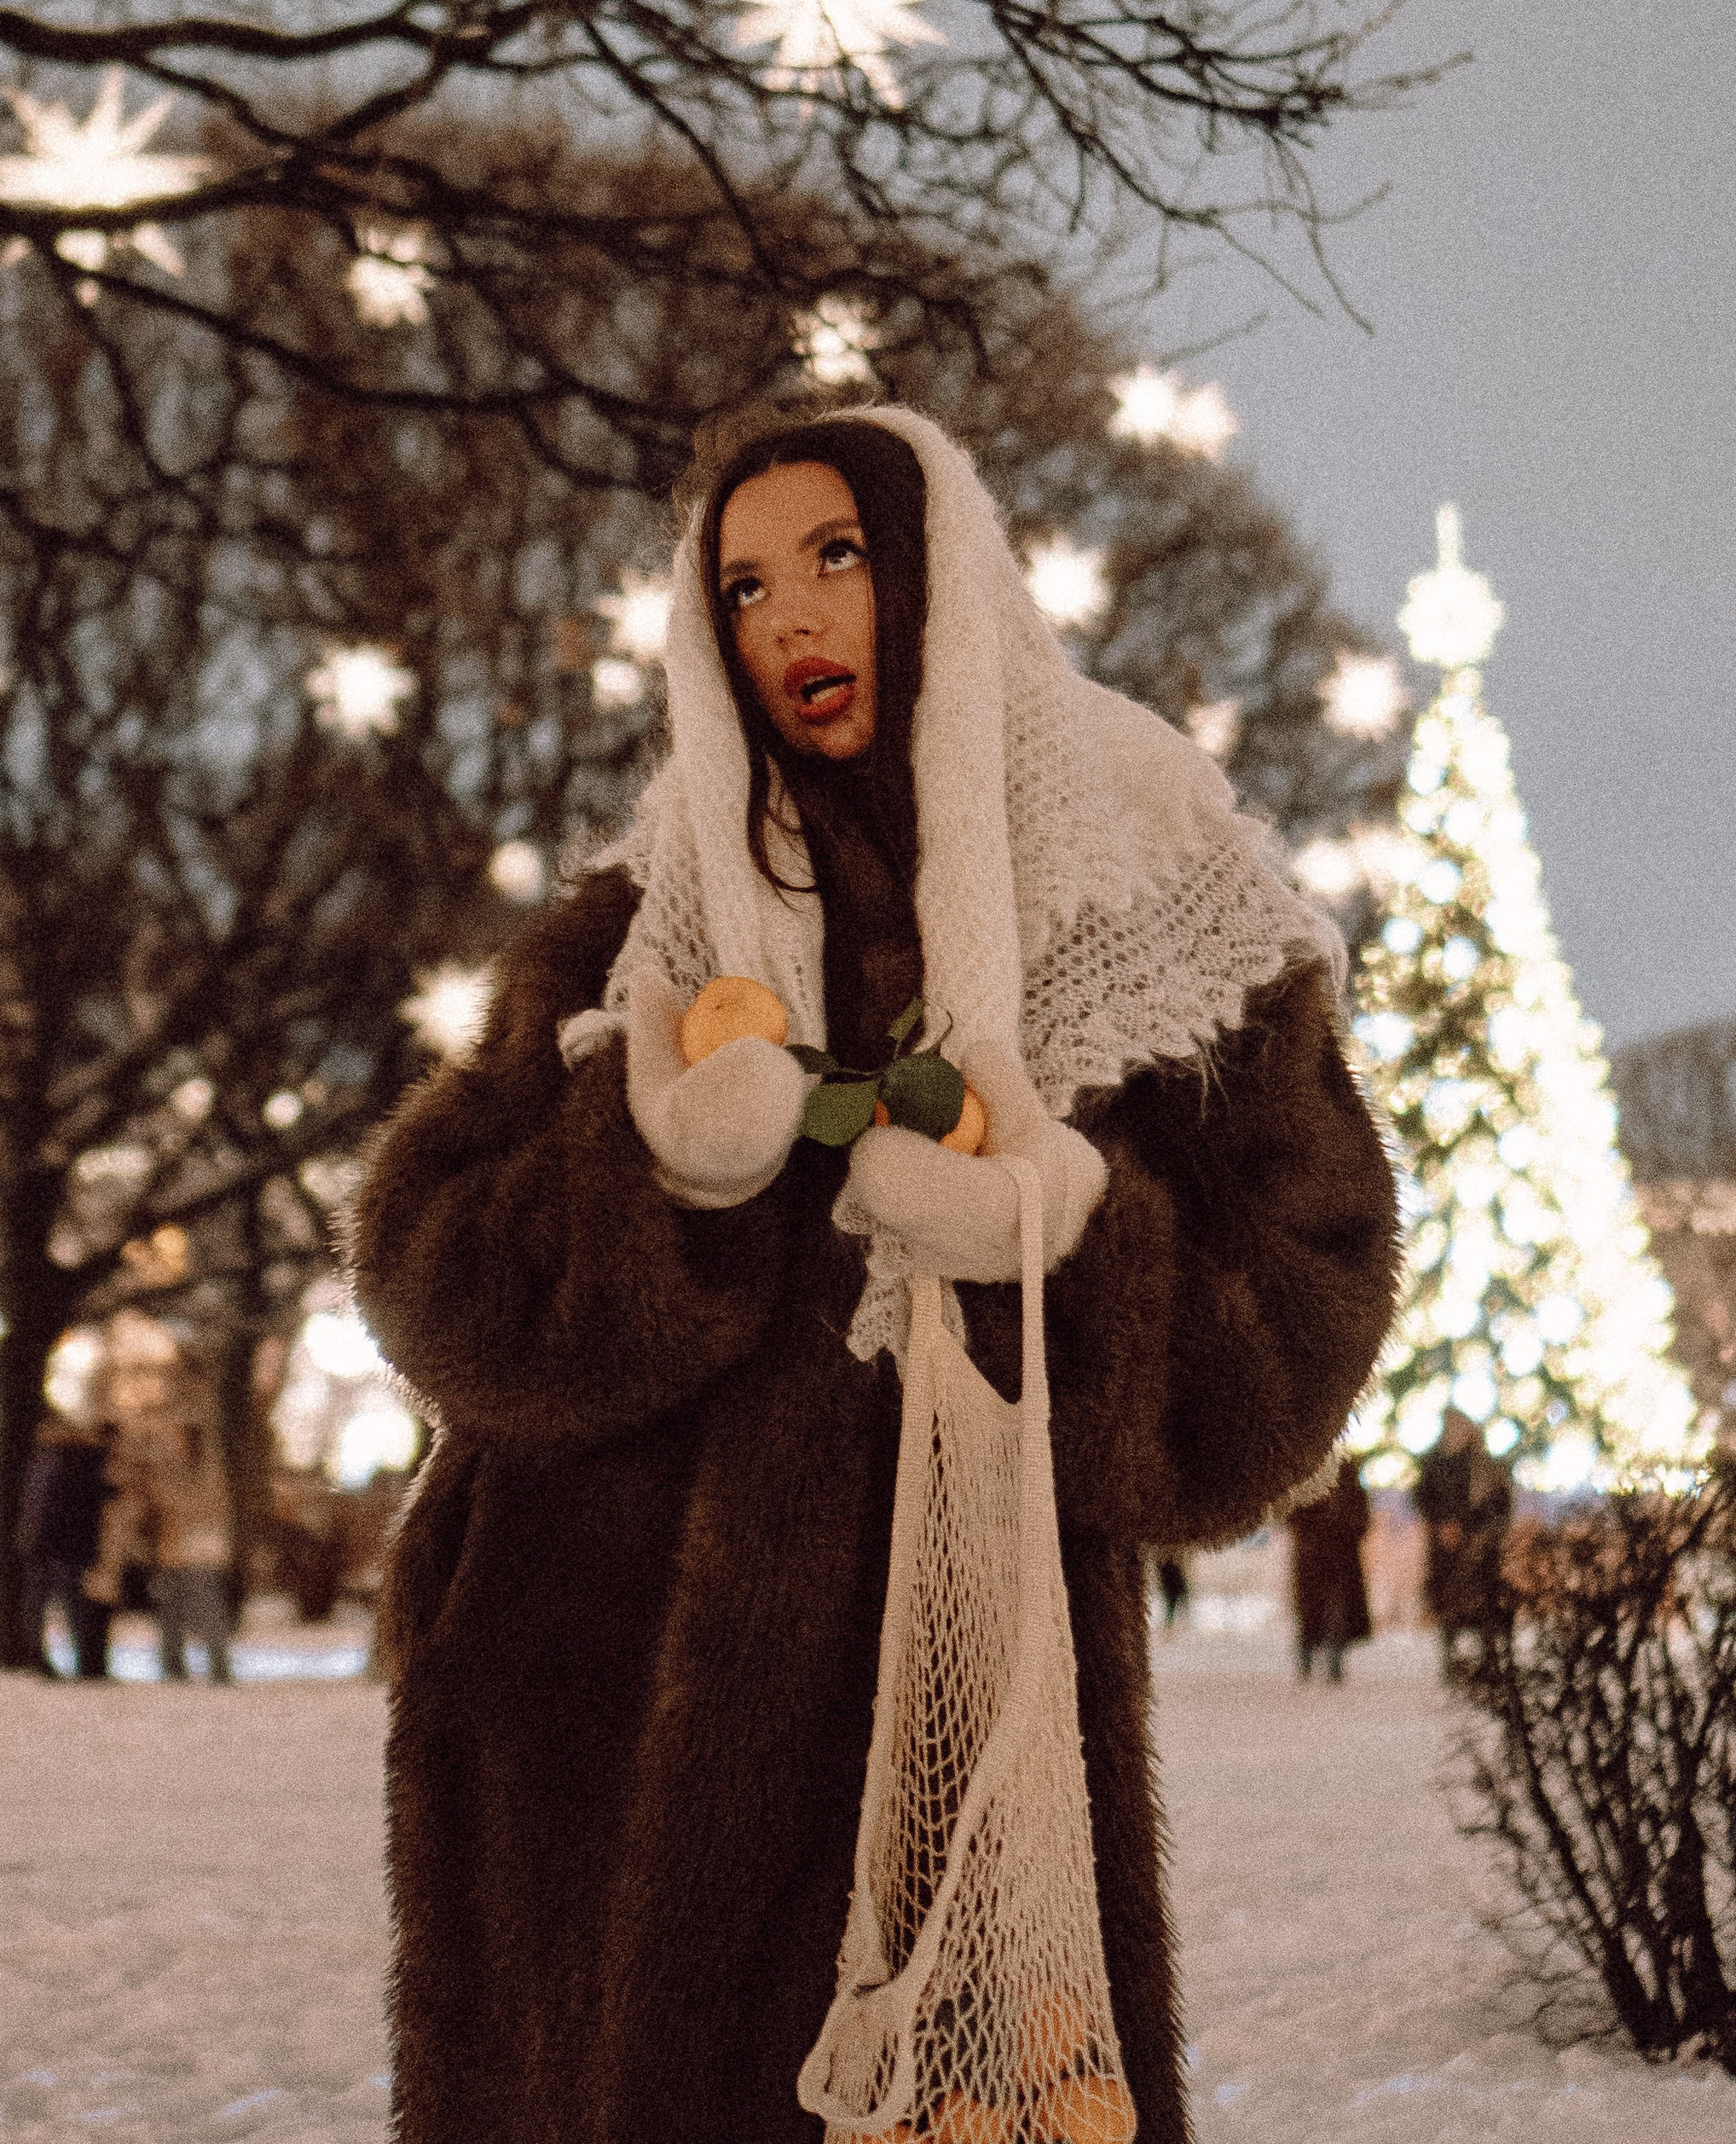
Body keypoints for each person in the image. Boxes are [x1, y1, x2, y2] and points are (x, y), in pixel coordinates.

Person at [355, 403, 1400, 2144]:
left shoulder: (1153, 871)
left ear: (934, 568)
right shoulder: (651, 904)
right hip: (584, 1723)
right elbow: (431, 1277)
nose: (789, 620)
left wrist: (1061, 1241)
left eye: (834, 556)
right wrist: (661, 1170)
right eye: (743, 584)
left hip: (954, 1740)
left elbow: (1292, 1323)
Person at [14, 1419, 117, 1679]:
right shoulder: (85, 1466)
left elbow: (41, 1511)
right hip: (66, 1549)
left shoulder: (48, 1466)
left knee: (44, 1606)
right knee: (71, 1606)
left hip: (48, 1547)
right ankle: (81, 1662)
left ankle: (46, 1659)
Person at [1416, 1408, 1513, 1673]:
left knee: (1482, 1602)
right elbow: (1423, 1499)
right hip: (1444, 1548)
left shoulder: (1485, 1466)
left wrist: (1470, 1529)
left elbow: (1498, 1504)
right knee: (1449, 1602)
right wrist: (1442, 1525)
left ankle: (1489, 1660)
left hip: (1478, 1547)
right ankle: (1452, 1658)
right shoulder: (1432, 1463)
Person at [146, 1417, 235, 1682]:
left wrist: (169, 1500)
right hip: (173, 1550)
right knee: (170, 1610)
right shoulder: (173, 1468)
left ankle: (218, 1667)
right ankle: (173, 1666)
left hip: (201, 1552)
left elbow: (205, 1506)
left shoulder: (209, 1471)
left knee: (207, 1609)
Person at [1288, 1454, 1373, 1683]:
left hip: (1340, 1554)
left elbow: (1361, 1513)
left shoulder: (1346, 1473)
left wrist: (1349, 1531)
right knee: (1311, 1607)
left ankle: (1334, 1658)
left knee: (1338, 1607)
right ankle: (1307, 1655)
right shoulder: (1306, 1471)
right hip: (1313, 1553)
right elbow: (1293, 1513)